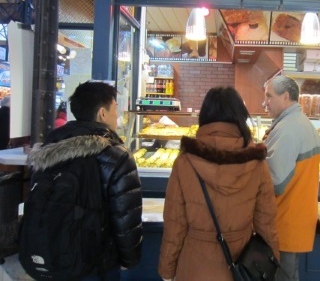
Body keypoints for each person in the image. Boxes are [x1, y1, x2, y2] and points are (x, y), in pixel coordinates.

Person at [158, 86, 279, 281]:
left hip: (194, 266)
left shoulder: (184, 162)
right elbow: (266, 223)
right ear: (240, 116)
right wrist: (271, 262)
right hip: (241, 268)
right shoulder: (256, 163)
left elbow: (175, 224)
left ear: (205, 116)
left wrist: (166, 271)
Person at [27, 81, 143, 280]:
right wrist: (129, 260)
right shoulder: (116, 155)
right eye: (115, 108)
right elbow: (124, 216)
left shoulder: (49, 148)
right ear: (102, 113)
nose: (118, 116)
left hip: (52, 253)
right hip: (96, 261)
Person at [263, 75, 320, 281]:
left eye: (269, 96)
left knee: (283, 276)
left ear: (285, 96)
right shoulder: (298, 123)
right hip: (295, 217)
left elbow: (275, 181)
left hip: (285, 219)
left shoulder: (289, 129)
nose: (265, 102)